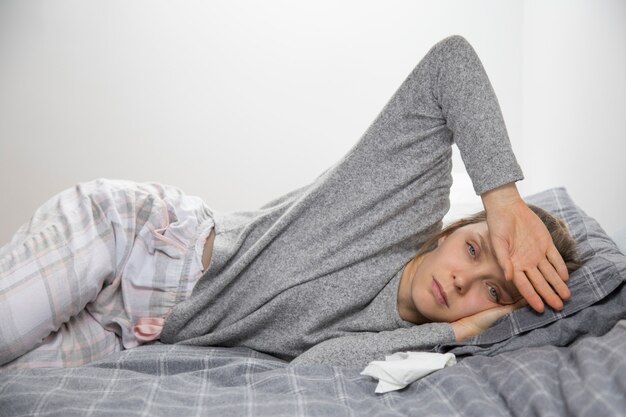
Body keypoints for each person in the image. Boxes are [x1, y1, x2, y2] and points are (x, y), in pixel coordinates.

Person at [0, 35, 580, 369]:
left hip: (138, 333)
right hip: (139, 243)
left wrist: (464, 331)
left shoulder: (402, 344)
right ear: (450, 230)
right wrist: (506, 204)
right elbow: (450, 63)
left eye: (493, 289)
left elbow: (314, 372)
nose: (463, 281)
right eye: (474, 249)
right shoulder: (401, 210)